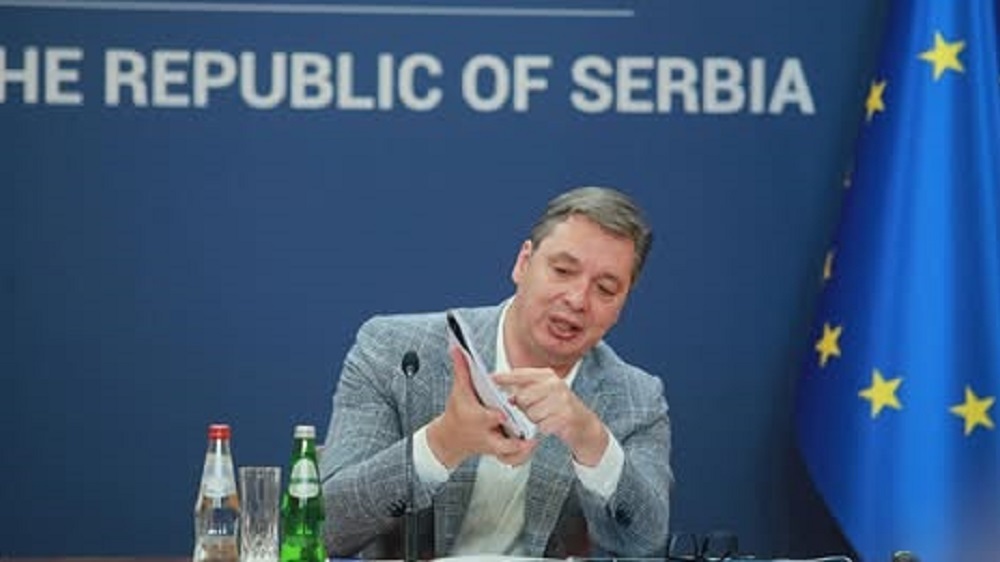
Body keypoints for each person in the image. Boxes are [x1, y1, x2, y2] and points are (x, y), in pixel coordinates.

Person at [319, 186, 672, 558]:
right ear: (523, 263)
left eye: (605, 289)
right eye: (563, 271)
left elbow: (646, 545)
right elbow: (327, 528)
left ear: (622, 305)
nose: (577, 299)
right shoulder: (397, 353)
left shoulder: (636, 398)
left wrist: (591, 441)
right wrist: (442, 442)